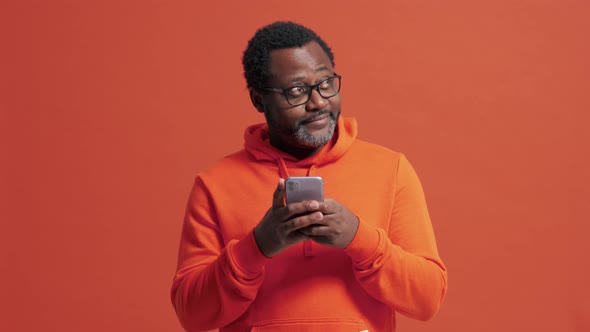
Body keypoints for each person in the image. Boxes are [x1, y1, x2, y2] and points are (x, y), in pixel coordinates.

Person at [171, 21, 447, 332]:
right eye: (297, 91)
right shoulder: (215, 184)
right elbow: (191, 314)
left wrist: (359, 239)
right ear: (259, 100)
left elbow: (427, 300)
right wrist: (258, 246)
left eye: (326, 83)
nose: (318, 103)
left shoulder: (391, 169)